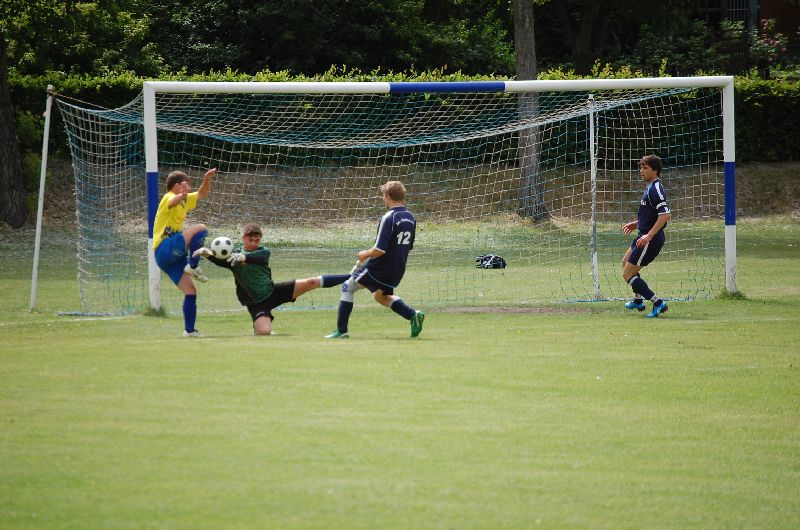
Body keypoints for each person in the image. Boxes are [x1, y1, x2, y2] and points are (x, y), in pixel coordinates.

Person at [193, 223, 351, 336]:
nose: (254, 243)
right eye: (251, 240)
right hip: (257, 303)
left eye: (257, 240)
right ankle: (259, 325)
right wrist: (208, 255)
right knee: (264, 332)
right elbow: (222, 261)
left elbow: (258, 258)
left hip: (274, 292)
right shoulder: (233, 257)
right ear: (244, 238)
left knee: (312, 282)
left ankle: (351, 277)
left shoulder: (263, 252)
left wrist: (243, 257)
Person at [325, 180, 425, 339]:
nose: (383, 199)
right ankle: (413, 315)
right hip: (398, 268)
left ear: (388, 196)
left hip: (380, 267)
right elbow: (408, 246)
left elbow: (379, 249)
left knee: (347, 287)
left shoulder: (389, 217)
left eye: (383, 195)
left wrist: (365, 254)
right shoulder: (411, 217)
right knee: (380, 296)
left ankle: (341, 331)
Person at [153, 167, 216, 337]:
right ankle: (193, 266)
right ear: (176, 185)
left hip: (168, 258)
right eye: (185, 184)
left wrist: (207, 179)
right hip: (164, 247)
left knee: (191, 291)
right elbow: (172, 202)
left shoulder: (184, 199)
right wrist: (181, 194)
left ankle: (190, 331)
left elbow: (202, 194)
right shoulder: (169, 196)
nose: (188, 187)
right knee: (201, 228)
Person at [621, 154, 672, 318]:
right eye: (641, 168)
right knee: (625, 263)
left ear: (655, 171)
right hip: (643, 235)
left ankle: (658, 303)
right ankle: (638, 300)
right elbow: (652, 214)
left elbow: (665, 215)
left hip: (650, 239)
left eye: (645, 168)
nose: (641, 171)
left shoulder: (656, 189)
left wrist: (649, 236)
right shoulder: (650, 187)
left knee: (628, 274)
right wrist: (636, 223)